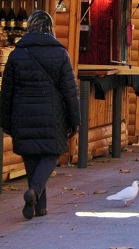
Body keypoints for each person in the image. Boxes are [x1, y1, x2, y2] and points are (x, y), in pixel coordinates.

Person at [0, 11, 80, 220]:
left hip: (22, 113)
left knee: (32, 157)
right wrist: (75, 120)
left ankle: (39, 207)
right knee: (51, 153)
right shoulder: (60, 54)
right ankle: (34, 192)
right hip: (51, 114)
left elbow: (6, 92)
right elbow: (70, 91)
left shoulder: (16, 54)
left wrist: (6, 121)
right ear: (50, 29)